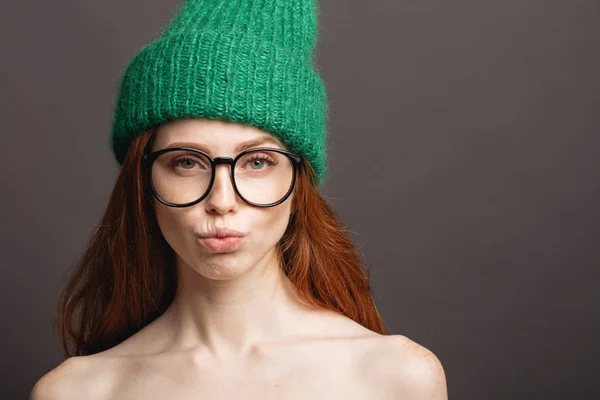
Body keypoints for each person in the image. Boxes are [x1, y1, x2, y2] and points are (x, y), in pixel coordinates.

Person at [31, 1, 447, 399]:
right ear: (141, 178)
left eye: (258, 162)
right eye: (187, 162)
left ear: (299, 178)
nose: (222, 200)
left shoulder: (397, 378)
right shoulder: (75, 392)